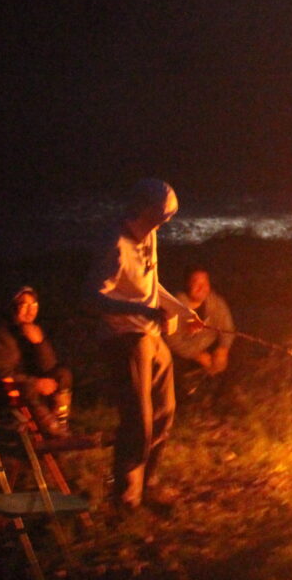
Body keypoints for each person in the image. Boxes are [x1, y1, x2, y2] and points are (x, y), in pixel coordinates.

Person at [84, 178, 205, 512]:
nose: (164, 223)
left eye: (168, 217)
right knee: (139, 420)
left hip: (151, 334)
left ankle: (148, 484)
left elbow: (151, 283)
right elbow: (92, 297)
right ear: (144, 209)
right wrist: (143, 311)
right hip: (124, 337)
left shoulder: (149, 236)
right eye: (161, 215)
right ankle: (125, 498)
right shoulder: (115, 244)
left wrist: (184, 310)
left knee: (165, 410)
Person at [0, 286, 73, 436]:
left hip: (30, 385)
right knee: (28, 388)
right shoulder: (1, 335)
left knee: (62, 374)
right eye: (24, 305)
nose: (30, 310)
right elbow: (2, 374)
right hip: (9, 391)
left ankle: (61, 423)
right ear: (12, 307)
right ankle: (51, 429)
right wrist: (35, 383)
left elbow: (49, 367)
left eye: (34, 304)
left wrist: (40, 344)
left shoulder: (33, 329)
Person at [166, 265, 236, 400]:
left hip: (210, 348)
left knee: (234, 354)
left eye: (204, 283)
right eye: (196, 283)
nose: (201, 288)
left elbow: (227, 328)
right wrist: (196, 355)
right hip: (183, 355)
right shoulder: (175, 306)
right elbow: (171, 340)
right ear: (187, 284)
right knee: (173, 372)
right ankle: (185, 402)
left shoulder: (215, 302)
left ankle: (224, 397)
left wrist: (223, 349)